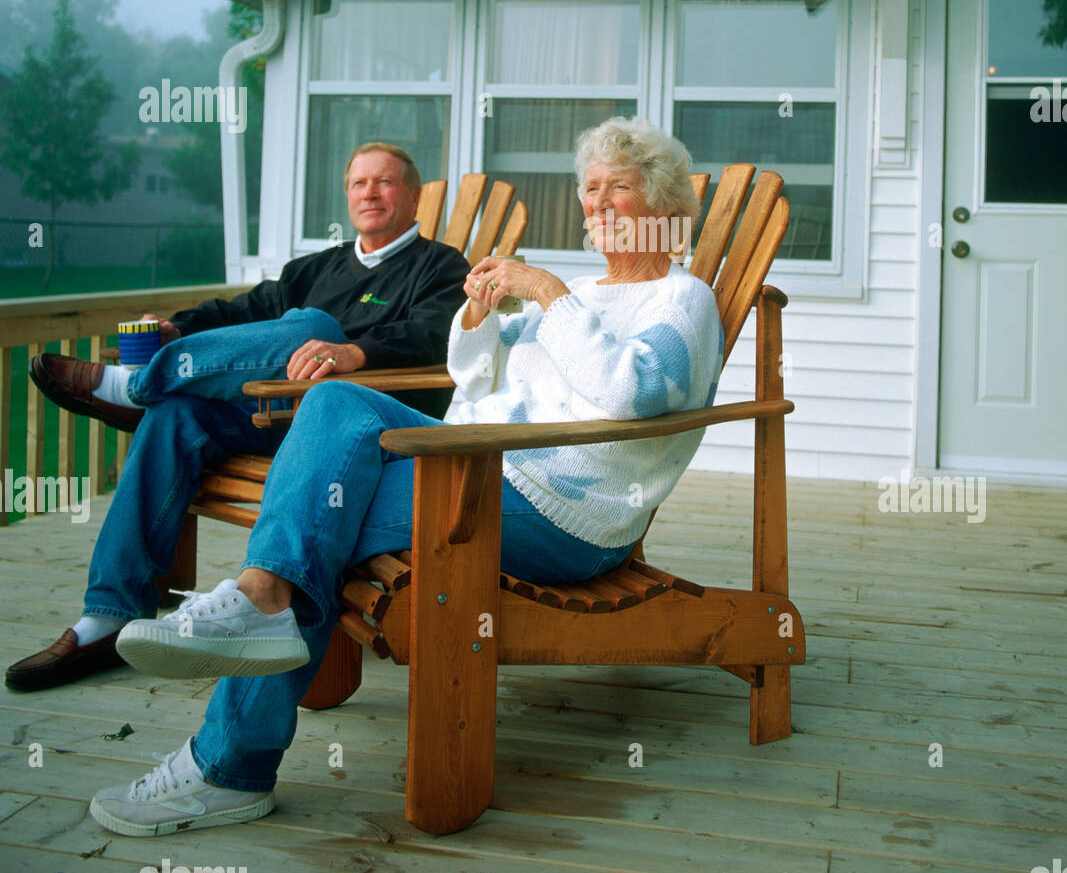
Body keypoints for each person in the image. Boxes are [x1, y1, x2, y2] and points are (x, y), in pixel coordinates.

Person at [83, 116, 725, 836]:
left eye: (621, 188)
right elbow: (475, 383)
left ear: (665, 205)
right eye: (591, 189)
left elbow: (635, 393)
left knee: (324, 521)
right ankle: (255, 625)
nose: (598, 204)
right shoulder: (581, 295)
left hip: (565, 512)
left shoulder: (681, 299)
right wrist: (480, 319)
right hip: (481, 463)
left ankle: (229, 761)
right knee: (333, 403)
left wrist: (546, 291)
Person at [6, 142, 470, 693]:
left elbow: (438, 333)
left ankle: (136, 387)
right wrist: (177, 328)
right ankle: (108, 616)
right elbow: (243, 312)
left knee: (307, 326)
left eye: (385, 182)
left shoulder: (441, 265)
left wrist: (355, 351)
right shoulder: (316, 267)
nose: (370, 192)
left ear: (413, 195)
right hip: (273, 416)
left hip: (354, 432)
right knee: (178, 412)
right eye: (359, 183)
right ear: (347, 197)